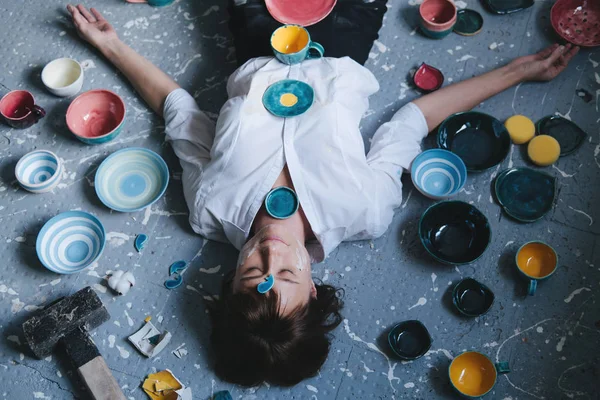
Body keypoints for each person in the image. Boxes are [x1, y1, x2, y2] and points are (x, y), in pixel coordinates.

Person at [66, 1, 579, 387]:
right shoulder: (364, 211)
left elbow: (178, 109)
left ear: (226, 283)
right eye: (287, 273)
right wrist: (522, 71)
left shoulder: (206, 210)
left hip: (257, 37)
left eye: (251, 272)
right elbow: (413, 120)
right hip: (342, 38)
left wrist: (109, 45)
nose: (271, 251)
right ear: (314, 289)